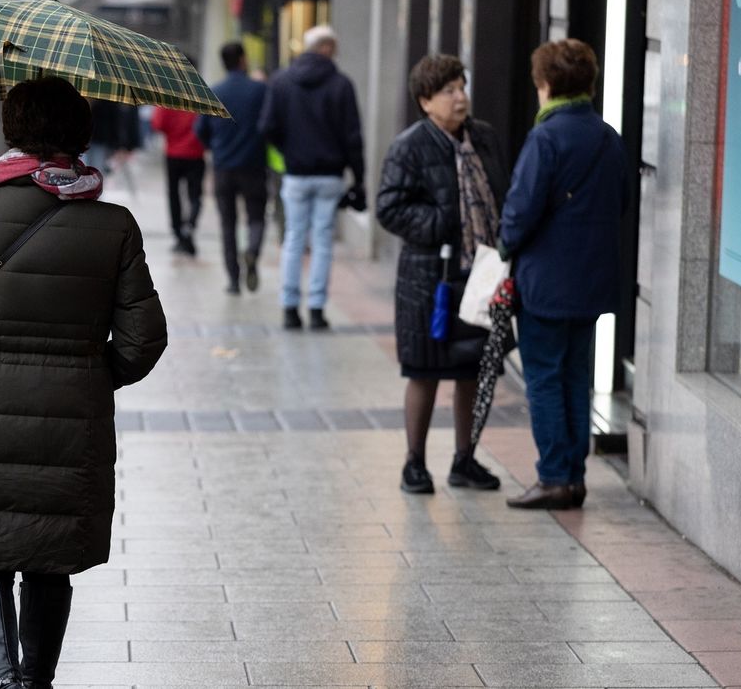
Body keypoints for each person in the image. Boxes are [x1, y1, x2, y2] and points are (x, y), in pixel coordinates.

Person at [0, 77, 167, 689]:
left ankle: (3, 683)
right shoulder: (113, 226)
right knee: (50, 562)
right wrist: (88, 375)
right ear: (81, 134)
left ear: (10, 130)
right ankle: (38, 683)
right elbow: (144, 339)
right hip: (69, 421)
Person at [500, 39, 627, 510]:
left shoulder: (546, 138)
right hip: (592, 280)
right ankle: (573, 476)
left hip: (547, 283)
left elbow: (520, 210)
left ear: (547, 85)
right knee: (575, 374)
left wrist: (504, 245)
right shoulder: (608, 137)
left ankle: (554, 476)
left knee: (546, 379)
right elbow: (622, 203)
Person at [377, 55, 509, 495]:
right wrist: (441, 221)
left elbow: (500, 193)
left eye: (462, 86)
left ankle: (464, 459)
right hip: (428, 277)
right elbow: (389, 208)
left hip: (481, 272)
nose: (460, 97)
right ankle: (414, 463)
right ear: (425, 101)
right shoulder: (410, 146)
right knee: (424, 369)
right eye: (449, 90)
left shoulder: (484, 138)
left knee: (473, 367)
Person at [260, 25, 364, 330]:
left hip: (296, 173)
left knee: (293, 239)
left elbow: (266, 126)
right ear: (329, 48)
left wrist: (289, 150)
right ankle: (317, 308)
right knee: (322, 241)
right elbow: (353, 137)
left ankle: (289, 308)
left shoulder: (281, 81)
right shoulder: (342, 85)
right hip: (330, 175)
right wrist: (358, 178)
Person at [195, 42, 269, 293]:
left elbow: (200, 131)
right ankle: (253, 251)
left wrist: (216, 147)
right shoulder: (260, 91)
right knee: (256, 217)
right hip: (254, 166)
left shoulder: (214, 92)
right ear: (243, 60)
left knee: (228, 224)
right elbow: (271, 124)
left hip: (223, 167)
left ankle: (234, 281)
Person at [150, 94, 205, 256]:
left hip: (173, 154)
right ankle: (190, 225)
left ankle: (178, 232)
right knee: (195, 195)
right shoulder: (199, 98)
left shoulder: (169, 98)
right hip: (196, 154)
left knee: (174, 194)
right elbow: (205, 126)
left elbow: (157, 123)